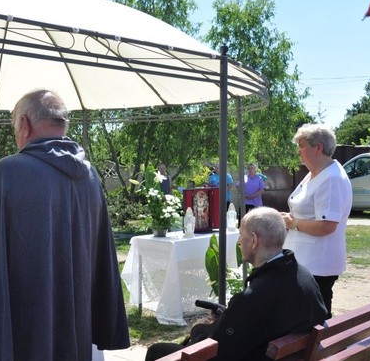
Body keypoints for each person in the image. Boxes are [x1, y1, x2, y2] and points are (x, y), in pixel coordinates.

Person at [0, 89, 130, 360]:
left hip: (23, 330)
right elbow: (102, 259)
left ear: (24, 124)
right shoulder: (89, 176)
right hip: (74, 323)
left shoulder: (7, 174)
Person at [145, 207, 327, 361]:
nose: (239, 241)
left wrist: (198, 328)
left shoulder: (255, 295)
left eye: (242, 235)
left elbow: (217, 350)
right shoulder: (304, 276)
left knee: (157, 351)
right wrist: (230, 316)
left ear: (254, 241)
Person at [281, 124, 352, 319]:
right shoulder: (315, 173)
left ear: (318, 147)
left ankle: (319, 350)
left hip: (318, 265)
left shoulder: (332, 179)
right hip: (305, 261)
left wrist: (293, 223)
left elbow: (327, 225)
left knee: (314, 320)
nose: (299, 152)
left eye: (302, 145)